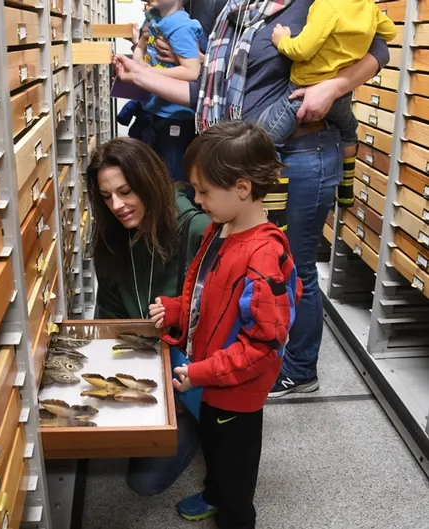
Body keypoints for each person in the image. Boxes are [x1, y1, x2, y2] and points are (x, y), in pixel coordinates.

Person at [113, 0, 390, 398]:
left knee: (291, 266)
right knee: (246, 266)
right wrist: (138, 74)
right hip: (238, 161)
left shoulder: (310, 4)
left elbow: (379, 47)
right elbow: (204, 91)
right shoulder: (235, 14)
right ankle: (244, 355)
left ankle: (298, 369)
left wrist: (335, 86)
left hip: (300, 154)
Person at [149, 122, 302, 527]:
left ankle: (234, 514)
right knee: (214, 448)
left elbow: (261, 346)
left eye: (203, 191)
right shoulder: (220, 228)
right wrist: (176, 310)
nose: (196, 201)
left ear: (240, 187)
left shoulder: (264, 256)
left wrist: (201, 372)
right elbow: (205, 294)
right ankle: (215, 492)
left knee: (235, 463)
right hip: (210, 377)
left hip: (235, 389)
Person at [87, 137, 210, 495]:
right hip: (142, 366)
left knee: (144, 482)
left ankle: (199, 427)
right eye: (107, 196)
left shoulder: (196, 230)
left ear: (149, 182)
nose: (117, 206)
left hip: (190, 377)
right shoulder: (111, 240)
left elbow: (219, 328)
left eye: (126, 191)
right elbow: (107, 319)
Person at [258, 0, 396, 207]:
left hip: (304, 93)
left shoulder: (327, 6)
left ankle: (274, 214)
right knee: (348, 131)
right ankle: (346, 190)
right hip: (339, 97)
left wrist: (282, 40)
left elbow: (302, 51)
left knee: (264, 140)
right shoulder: (367, 6)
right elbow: (390, 31)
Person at [132, 0, 204, 182]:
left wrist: (149, 73)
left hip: (175, 117)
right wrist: (139, 60)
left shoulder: (179, 26)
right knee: (153, 176)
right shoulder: (155, 19)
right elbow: (141, 51)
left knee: (174, 181)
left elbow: (192, 71)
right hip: (154, 111)